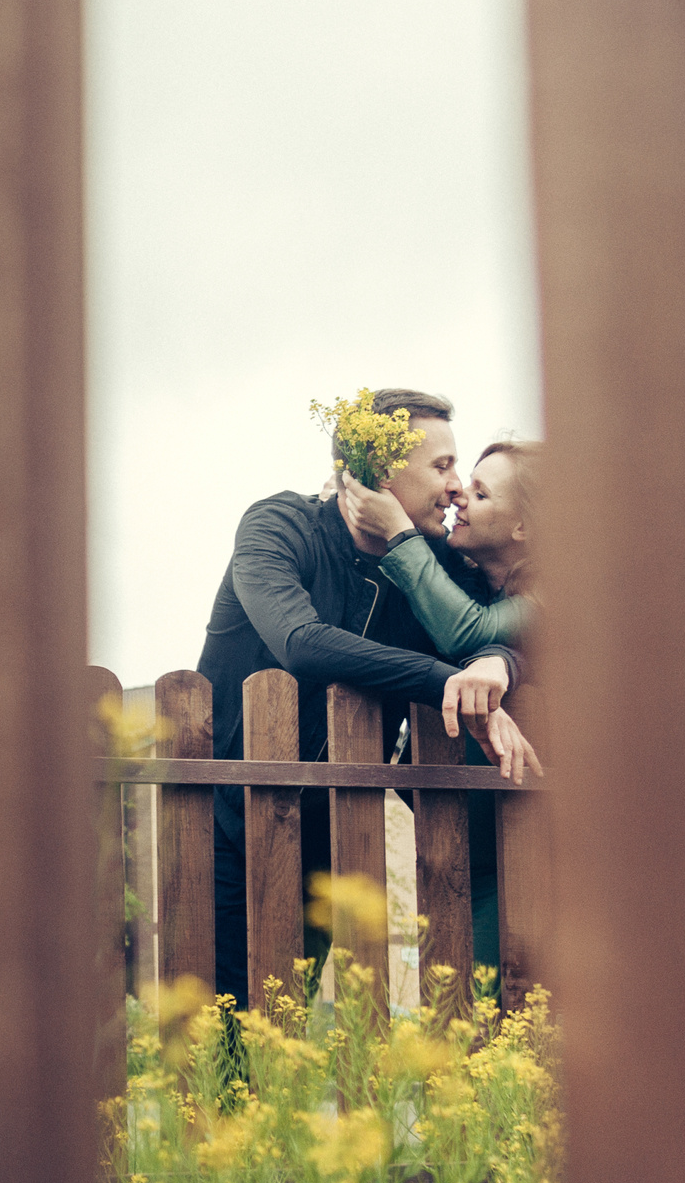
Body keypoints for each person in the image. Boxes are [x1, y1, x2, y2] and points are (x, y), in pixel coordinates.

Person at [197, 390, 538, 1010]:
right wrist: (443, 679)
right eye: (442, 467)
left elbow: (484, 630)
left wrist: (496, 666)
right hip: (218, 820)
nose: (457, 488)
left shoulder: (429, 566)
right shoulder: (280, 525)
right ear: (381, 474)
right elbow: (301, 641)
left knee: (282, 1026)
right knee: (210, 1034)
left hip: (331, 835)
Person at [338, 438, 540, 653]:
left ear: (524, 528)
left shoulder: (557, 597)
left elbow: (468, 634)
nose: (459, 497)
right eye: (470, 484)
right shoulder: (468, 575)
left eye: (481, 495)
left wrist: (398, 529)